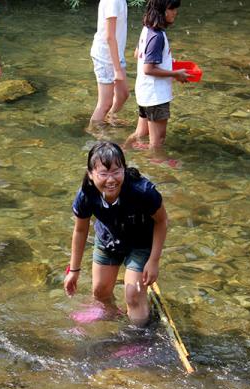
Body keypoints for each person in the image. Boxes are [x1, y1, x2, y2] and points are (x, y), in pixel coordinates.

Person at [63, 141, 168, 326]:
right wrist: (74, 270)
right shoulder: (86, 195)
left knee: (133, 295)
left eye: (116, 172)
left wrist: (153, 261)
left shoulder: (142, 191)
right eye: (103, 174)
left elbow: (162, 221)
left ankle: (139, 334)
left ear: (124, 170)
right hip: (108, 240)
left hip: (141, 242)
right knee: (100, 292)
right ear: (90, 174)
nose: (111, 180)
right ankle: (111, 315)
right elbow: (80, 230)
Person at [124, 0, 189, 151]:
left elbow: (137, 54)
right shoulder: (157, 36)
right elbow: (148, 68)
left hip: (145, 91)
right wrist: (176, 74)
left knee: (141, 133)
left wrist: (166, 62)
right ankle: (156, 162)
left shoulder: (147, 29)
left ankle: (123, 151)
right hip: (156, 96)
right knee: (158, 141)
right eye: (172, 9)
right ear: (162, 11)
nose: (175, 12)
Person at [88, 0, 130, 132]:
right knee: (105, 104)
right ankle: (93, 131)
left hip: (116, 55)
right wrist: (117, 70)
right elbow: (109, 37)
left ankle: (109, 118)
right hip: (105, 57)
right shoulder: (113, 1)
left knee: (123, 94)